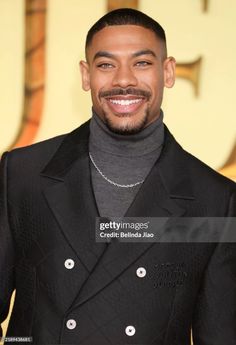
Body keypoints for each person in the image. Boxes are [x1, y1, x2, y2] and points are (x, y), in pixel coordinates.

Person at [0, 8, 236, 345]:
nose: (123, 80)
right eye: (106, 64)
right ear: (85, 75)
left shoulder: (215, 202)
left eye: (141, 63)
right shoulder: (23, 175)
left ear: (167, 72)